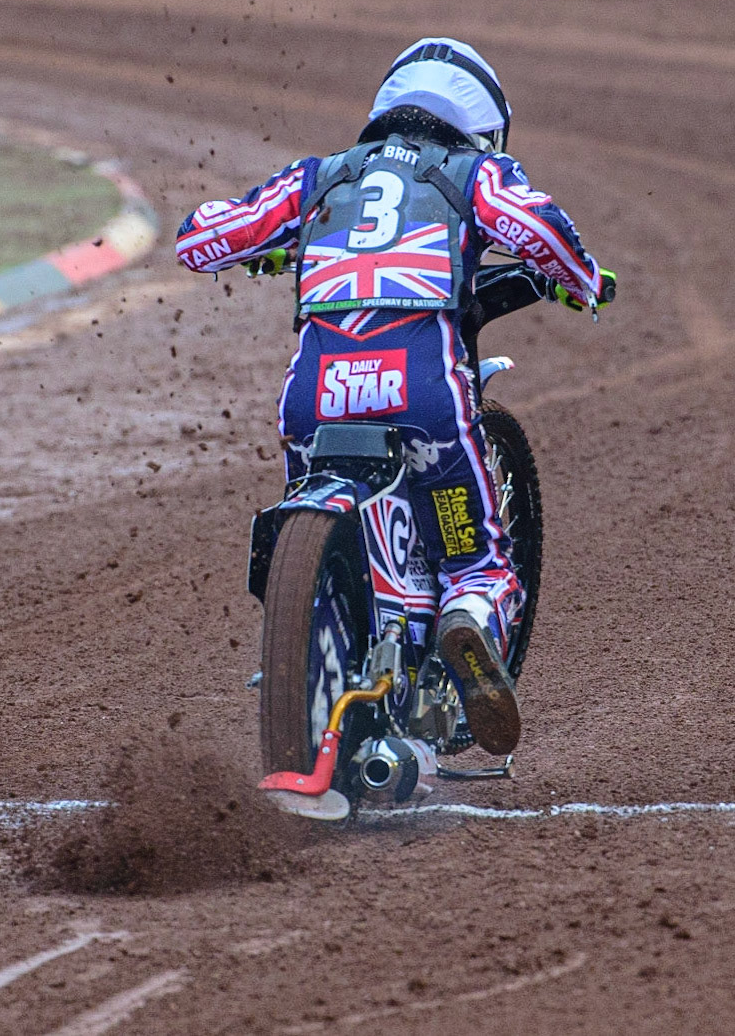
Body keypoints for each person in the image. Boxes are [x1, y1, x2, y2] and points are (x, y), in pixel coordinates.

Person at [176, 37, 612, 757]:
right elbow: (536, 229)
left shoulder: (320, 177)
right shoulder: (472, 174)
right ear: (482, 124)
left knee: (318, 515)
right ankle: (465, 615)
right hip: (421, 393)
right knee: (478, 559)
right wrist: (585, 277)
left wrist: (279, 247)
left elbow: (201, 240)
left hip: (316, 398)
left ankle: (319, 651)